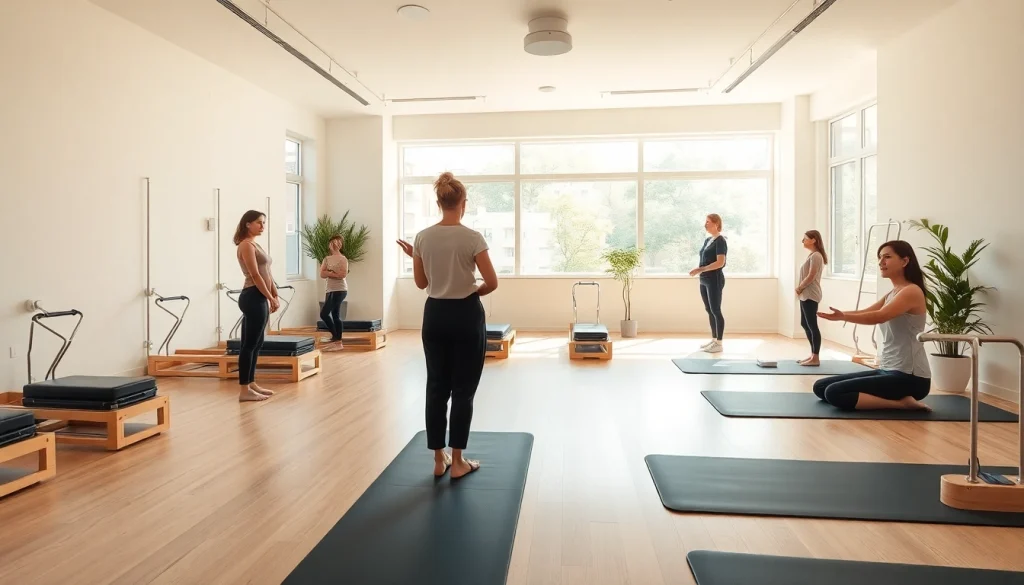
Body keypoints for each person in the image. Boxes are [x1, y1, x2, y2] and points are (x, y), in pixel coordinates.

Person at [396, 171, 499, 479]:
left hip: (435, 315)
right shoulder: (472, 238)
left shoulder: (423, 238)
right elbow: (491, 283)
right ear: (463, 203)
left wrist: (421, 257)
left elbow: (421, 282)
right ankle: (458, 462)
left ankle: (438, 460)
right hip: (466, 315)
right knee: (463, 390)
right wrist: (473, 289)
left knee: (436, 387)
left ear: (439, 202)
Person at [815, 240, 932, 411]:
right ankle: (900, 400)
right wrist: (841, 316)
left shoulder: (911, 291)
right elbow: (867, 311)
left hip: (910, 378)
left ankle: (901, 404)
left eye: (887, 257)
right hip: (887, 369)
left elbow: (879, 316)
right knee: (820, 387)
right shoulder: (894, 292)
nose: (881, 262)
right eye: (879, 258)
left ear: (905, 261)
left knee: (834, 393)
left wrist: (844, 317)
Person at [233, 210, 280, 402]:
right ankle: (244, 390)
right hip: (253, 296)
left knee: (257, 343)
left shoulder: (255, 243)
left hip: (259, 296)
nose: (263, 226)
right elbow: (254, 275)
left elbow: (266, 270)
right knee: (249, 345)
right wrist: (269, 297)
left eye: (264, 223)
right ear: (247, 224)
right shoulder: (245, 245)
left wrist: (274, 292)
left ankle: (251, 383)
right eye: (259, 223)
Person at [689, 213, 728, 353]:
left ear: (716, 224)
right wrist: (701, 271)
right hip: (704, 280)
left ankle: (719, 343)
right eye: (705, 221)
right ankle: (714, 340)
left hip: (714, 280)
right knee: (709, 310)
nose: (705, 224)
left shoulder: (721, 241)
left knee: (716, 310)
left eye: (708, 222)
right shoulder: (708, 240)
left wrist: (701, 269)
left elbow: (720, 262)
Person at [796, 230, 827, 366]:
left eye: (805, 238)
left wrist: (800, 287)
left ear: (814, 240)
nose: (803, 241)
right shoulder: (812, 255)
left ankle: (815, 358)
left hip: (810, 294)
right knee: (805, 323)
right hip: (805, 294)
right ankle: (812, 355)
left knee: (812, 325)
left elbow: (811, 275)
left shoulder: (816, 256)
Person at [318, 235, 348, 351]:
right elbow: (322, 274)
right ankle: (337, 340)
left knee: (324, 314)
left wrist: (329, 272)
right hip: (329, 289)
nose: (335, 244)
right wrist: (334, 272)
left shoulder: (343, 259)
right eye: (332, 242)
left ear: (340, 244)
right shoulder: (326, 259)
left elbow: (342, 275)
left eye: (337, 242)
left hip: (340, 290)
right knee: (335, 315)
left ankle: (337, 339)